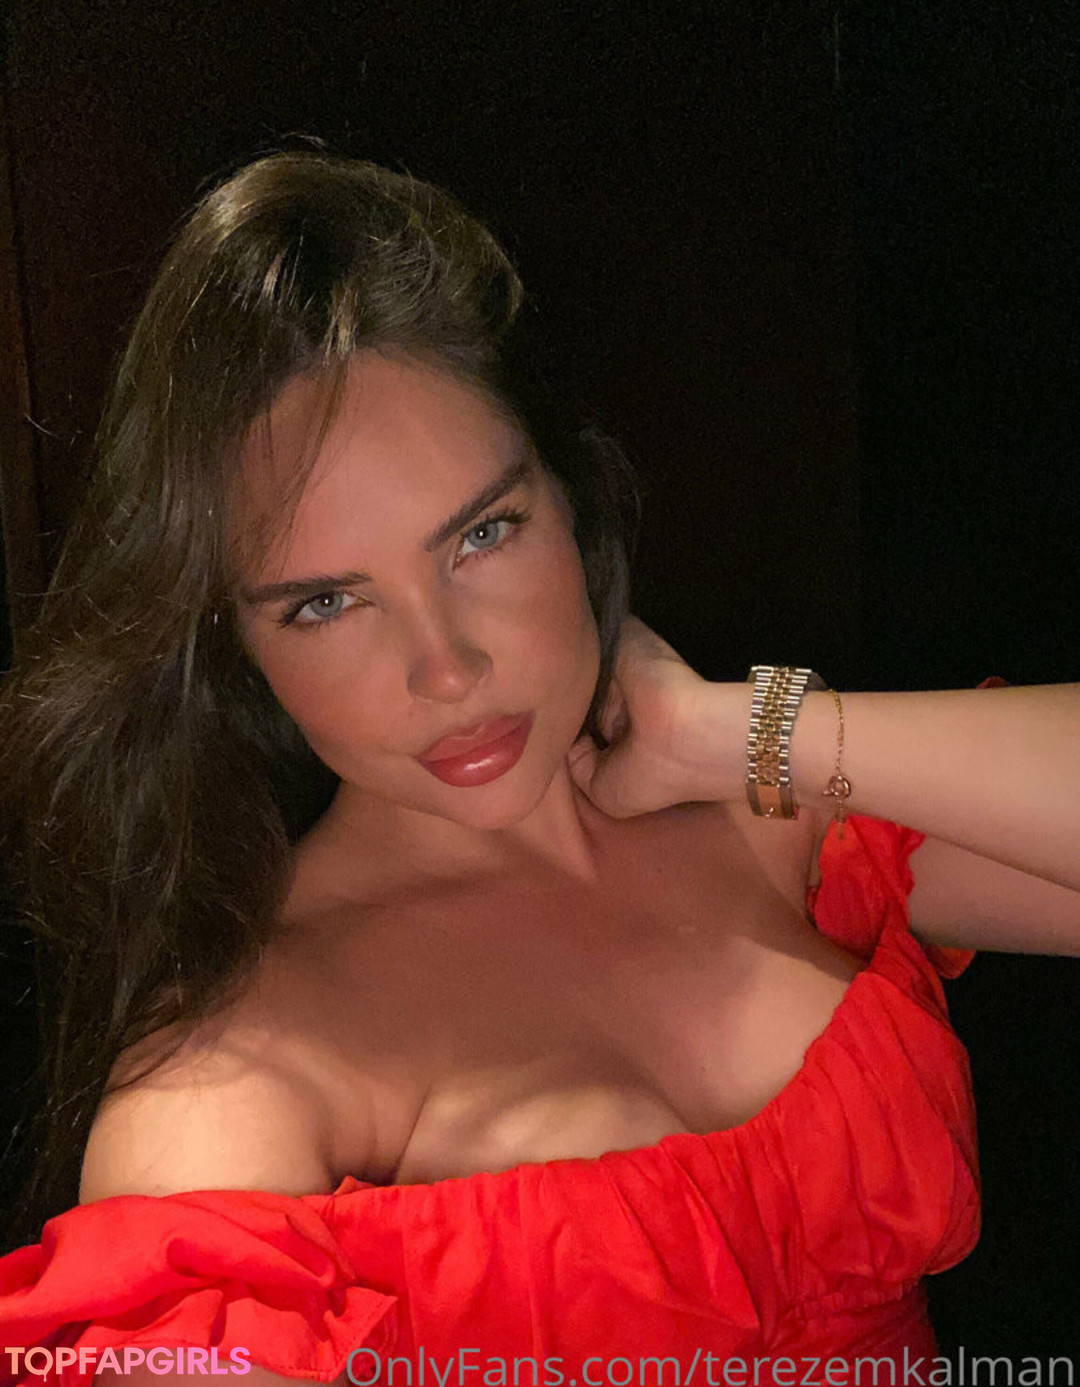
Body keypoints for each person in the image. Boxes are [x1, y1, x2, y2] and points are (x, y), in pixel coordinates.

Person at [0, 151, 1077, 1382]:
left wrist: (733, 731)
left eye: (482, 534)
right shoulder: (231, 1089)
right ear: (236, 647)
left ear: (570, 499)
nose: (446, 668)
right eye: (324, 603)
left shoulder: (772, 817)